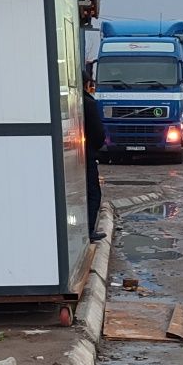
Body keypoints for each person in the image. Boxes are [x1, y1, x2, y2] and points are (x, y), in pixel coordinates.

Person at [82, 65, 104, 240]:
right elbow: (98, 134)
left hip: (72, 153)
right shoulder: (89, 103)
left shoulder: (73, 103)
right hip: (87, 155)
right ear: (88, 84)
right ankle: (88, 230)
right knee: (93, 193)